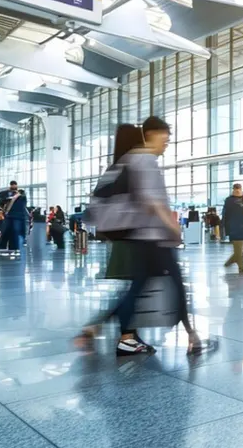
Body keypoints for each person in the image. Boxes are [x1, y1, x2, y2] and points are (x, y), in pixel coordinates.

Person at [79, 116, 207, 356]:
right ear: (151, 134)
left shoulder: (128, 159)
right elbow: (152, 201)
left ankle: (94, 327)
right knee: (176, 287)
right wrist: (173, 227)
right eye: (164, 139)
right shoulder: (145, 159)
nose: (165, 144)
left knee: (137, 289)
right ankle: (194, 338)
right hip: (155, 238)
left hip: (143, 237)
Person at [222, 183, 243, 273]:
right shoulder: (229, 200)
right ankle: (241, 267)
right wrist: (224, 226)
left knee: (239, 249)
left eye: (239, 188)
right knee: (238, 248)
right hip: (234, 225)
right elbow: (225, 214)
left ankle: (229, 262)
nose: (238, 190)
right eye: (236, 188)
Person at [0, 187, 28, 256]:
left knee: (9, 232)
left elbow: (5, 206)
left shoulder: (15, 198)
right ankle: (14, 248)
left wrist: (6, 212)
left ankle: (4, 248)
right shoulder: (21, 198)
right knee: (15, 233)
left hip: (12, 217)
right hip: (17, 217)